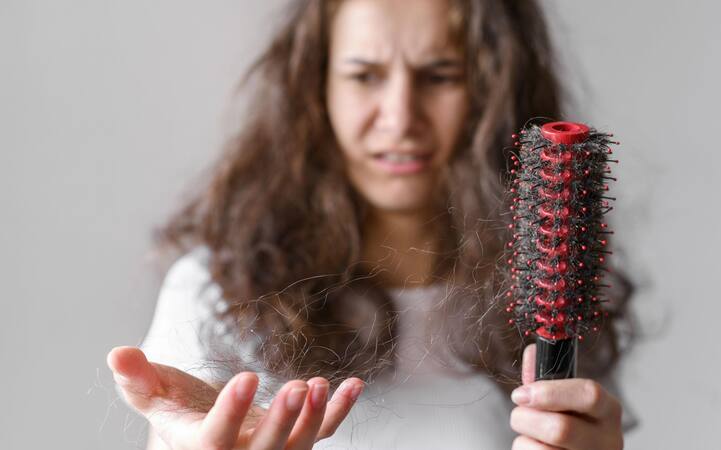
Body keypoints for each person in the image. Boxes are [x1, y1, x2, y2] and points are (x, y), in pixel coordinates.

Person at [107, 0, 636, 448]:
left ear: (494, 89)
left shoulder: (552, 291)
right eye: (364, 76)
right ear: (317, 91)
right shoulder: (216, 293)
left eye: (440, 76)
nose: (401, 116)